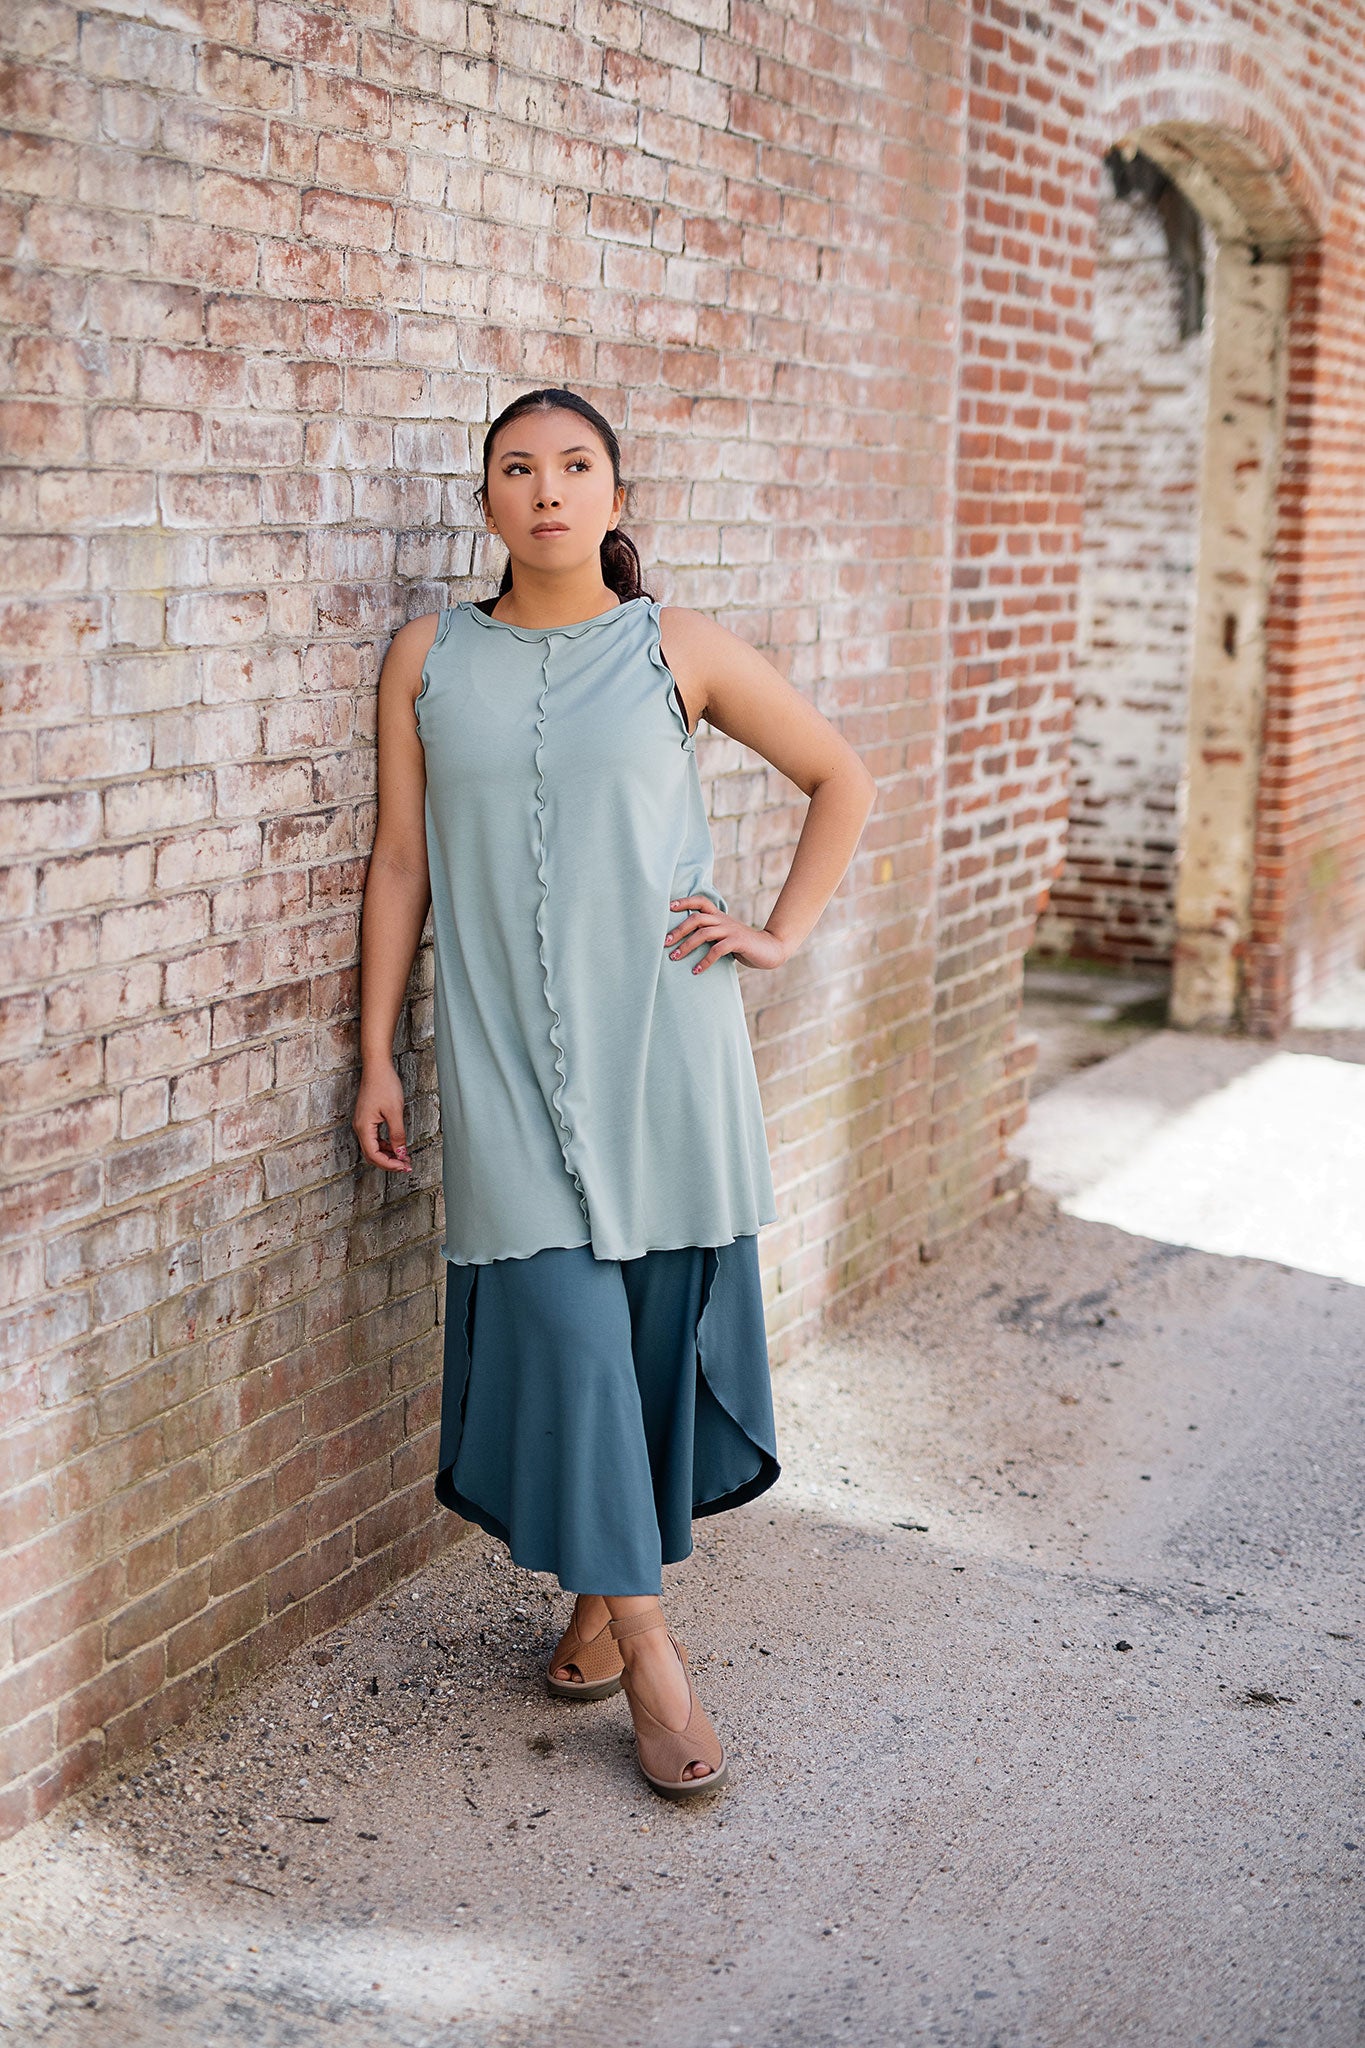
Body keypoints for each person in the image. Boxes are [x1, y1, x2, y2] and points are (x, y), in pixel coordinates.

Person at [353, 387, 876, 1797]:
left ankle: (595, 1600)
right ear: (484, 504)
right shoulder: (425, 657)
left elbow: (838, 774)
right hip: (503, 1059)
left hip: (667, 1046)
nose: (546, 491)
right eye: (516, 469)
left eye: (575, 466)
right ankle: (650, 1652)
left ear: (615, 496)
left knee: (641, 1345)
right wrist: (373, 1051)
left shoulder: (678, 649)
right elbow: (400, 864)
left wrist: (776, 931)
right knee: (568, 1333)